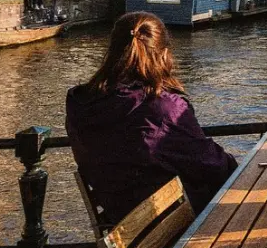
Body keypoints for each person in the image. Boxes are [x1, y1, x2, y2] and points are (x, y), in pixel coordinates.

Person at [66, 12, 238, 224]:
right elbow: (214, 166)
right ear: (164, 54)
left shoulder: (79, 103)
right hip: (174, 226)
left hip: (120, 223)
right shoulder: (164, 109)